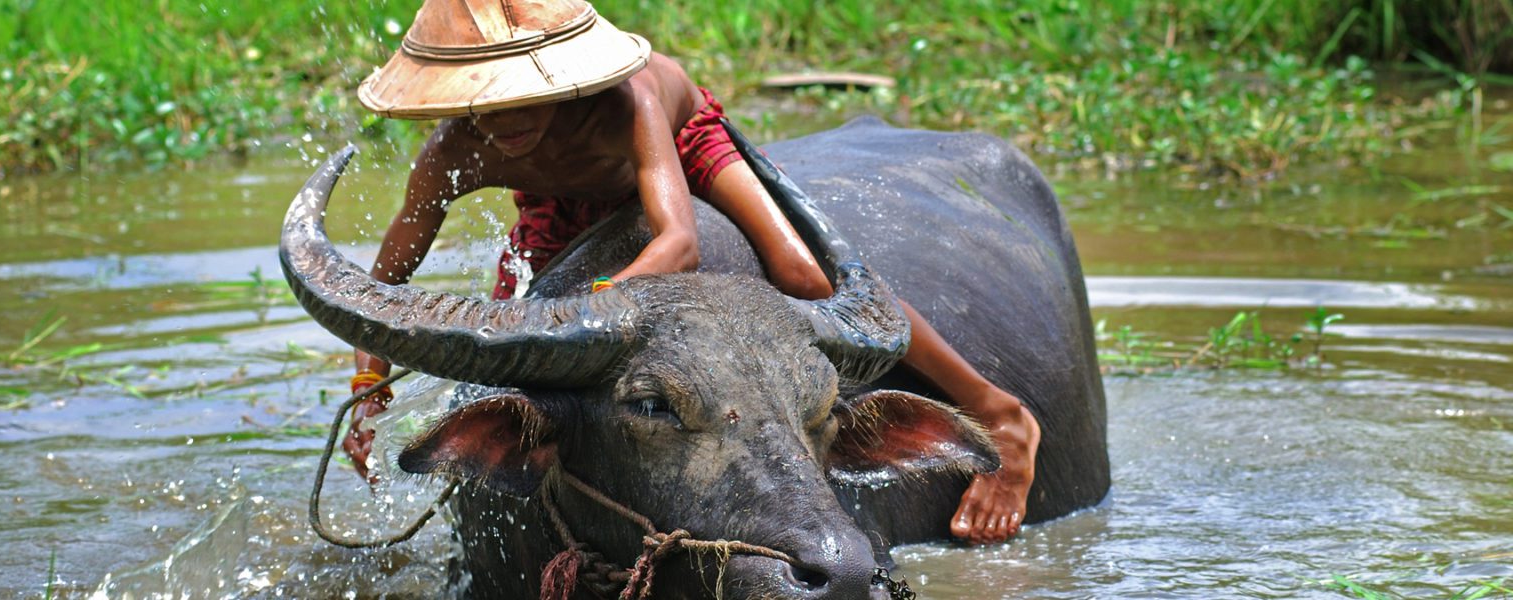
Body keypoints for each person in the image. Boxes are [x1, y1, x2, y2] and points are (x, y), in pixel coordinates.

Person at [342, 0, 1041, 545]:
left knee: (803, 272)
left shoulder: (627, 104)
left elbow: (678, 243)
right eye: (486, 97)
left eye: (526, 92)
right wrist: (368, 382)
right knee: (510, 360)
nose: (507, 117)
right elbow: (386, 283)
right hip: (558, 206)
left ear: (562, 75)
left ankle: (997, 410)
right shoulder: (456, 149)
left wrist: (595, 310)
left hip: (683, 151)